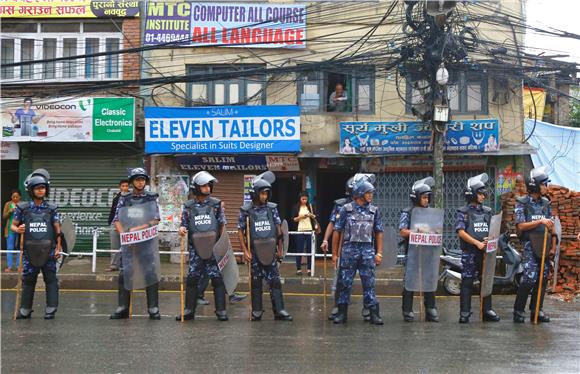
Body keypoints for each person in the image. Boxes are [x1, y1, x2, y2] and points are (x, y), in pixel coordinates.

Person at [238, 171, 292, 321]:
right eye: (262, 194)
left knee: (275, 282)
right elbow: (240, 231)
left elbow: (279, 229)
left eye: (266, 194)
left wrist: (280, 249)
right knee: (256, 283)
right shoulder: (246, 210)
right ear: (255, 193)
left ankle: (279, 310)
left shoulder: (272, 208)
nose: (264, 197)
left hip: (270, 251)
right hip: (255, 252)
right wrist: (244, 251)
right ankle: (256, 311)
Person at [175, 171, 229, 322]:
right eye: (204, 185)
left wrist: (221, 244)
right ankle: (188, 311)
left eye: (208, 185)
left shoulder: (216, 204)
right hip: (195, 250)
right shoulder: (188, 206)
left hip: (213, 249)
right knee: (192, 279)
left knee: (217, 279)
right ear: (197, 188)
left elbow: (222, 224)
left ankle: (221, 311)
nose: (208, 188)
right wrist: (181, 229)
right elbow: (184, 224)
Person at [332, 174, 384, 325]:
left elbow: (379, 232)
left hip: (367, 251)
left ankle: (374, 313)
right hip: (349, 251)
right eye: (368, 193)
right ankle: (342, 313)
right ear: (361, 193)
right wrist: (335, 254)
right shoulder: (345, 210)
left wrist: (379, 252)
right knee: (345, 283)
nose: (371, 196)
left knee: (369, 283)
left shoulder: (374, 211)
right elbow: (337, 231)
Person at [110, 168, 161, 320]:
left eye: (143, 179)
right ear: (132, 181)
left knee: (150, 272)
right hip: (129, 244)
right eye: (137, 179)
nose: (140, 182)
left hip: (146, 242)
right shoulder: (124, 198)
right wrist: (125, 235)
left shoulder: (151, 198)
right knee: (125, 273)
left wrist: (138, 230)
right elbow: (116, 220)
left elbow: (156, 219)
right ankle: (123, 307)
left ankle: (153, 308)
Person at [12, 170, 62, 319]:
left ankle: (51, 309)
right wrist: (18, 229)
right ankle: (25, 309)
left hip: (48, 250)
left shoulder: (52, 208)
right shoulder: (23, 208)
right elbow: (13, 226)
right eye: (37, 188)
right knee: (28, 280)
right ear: (31, 190)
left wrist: (58, 248)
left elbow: (58, 230)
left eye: (43, 187)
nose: (41, 190)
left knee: (51, 279)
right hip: (29, 250)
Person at [513, 166, 557, 323]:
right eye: (544, 184)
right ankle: (518, 311)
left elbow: (551, 227)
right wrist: (540, 221)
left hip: (544, 244)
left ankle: (537, 310)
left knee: (542, 278)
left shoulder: (546, 203)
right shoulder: (522, 203)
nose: (546, 187)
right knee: (529, 279)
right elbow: (520, 226)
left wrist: (553, 244)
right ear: (536, 185)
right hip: (529, 246)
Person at [455, 173, 501, 323]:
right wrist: (476, 243)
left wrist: (490, 238)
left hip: (485, 253)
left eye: (484, 193)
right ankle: (465, 312)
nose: (483, 196)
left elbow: (492, 229)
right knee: (467, 281)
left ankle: (487, 309)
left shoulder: (487, 211)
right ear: (473, 194)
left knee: (486, 281)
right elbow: (461, 232)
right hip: (470, 252)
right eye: (481, 193)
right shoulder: (463, 212)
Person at [399, 177, 439, 322]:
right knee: (410, 280)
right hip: (413, 252)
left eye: (428, 197)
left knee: (429, 279)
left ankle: (430, 308)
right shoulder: (407, 212)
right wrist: (418, 232)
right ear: (416, 198)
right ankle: (407, 310)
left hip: (428, 253)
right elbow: (403, 231)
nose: (426, 200)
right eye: (423, 197)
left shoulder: (431, 213)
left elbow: (437, 230)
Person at [321, 177, 359, 321]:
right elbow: (333, 223)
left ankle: (369, 309)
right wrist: (325, 240)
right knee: (340, 279)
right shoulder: (340, 205)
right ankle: (338, 306)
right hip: (345, 246)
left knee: (367, 279)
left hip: (361, 246)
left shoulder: (365, 204)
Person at [291, 191, 318, 276]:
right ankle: (298, 269)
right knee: (299, 249)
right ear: (300, 199)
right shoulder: (296, 207)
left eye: (306, 199)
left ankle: (309, 269)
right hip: (300, 230)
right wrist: (302, 217)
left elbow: (315, 216)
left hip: (310, 230)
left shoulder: (310, 206)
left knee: (310, 250)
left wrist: (310, 215)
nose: (304, 200)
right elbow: (294, 219)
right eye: (303, 199)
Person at [106, 179, 129, 272]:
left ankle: (126, 266)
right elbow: (113, 210)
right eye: (123, 186)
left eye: (126, 186)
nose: (125, 188)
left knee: (127, 245)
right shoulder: (116, 197)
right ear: (120, 187)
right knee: (115, 246)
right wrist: (110, 222)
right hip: (115, 223)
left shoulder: (131, 198)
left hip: (126, 224)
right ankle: (114, 265)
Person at [3, 189, 21, 272]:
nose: (15, 198)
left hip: (20, 229)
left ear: (20, 197)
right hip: (10, 230)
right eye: (13, 197)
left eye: (17, 197)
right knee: (9, 248)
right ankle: (9, 266)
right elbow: (4, 216)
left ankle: (18, 266)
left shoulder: (22, 204)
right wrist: (10, 211)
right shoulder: (8, 204)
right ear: (11, 197)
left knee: (19, 248)